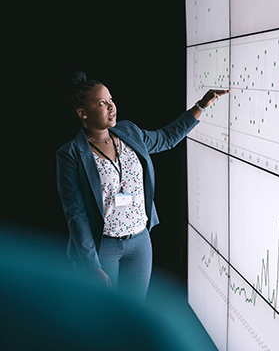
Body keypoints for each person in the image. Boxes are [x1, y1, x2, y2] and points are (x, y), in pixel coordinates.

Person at [56, 71, 229, 299]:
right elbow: (75, 213)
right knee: (106, 314)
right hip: (103, 248)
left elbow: (167, 138)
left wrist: (201, 106)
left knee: (135, 312)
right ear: (83, 113)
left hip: (140, 243)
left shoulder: (129, 132)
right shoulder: (71, 154)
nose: (111, 106)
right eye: (101, 103)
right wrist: (92, 264)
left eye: (111, 99)